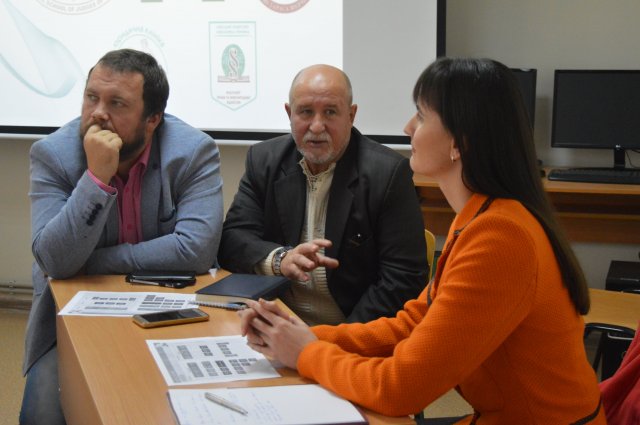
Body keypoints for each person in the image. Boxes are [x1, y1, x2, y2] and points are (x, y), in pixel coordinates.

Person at [238, 58, 606, 424]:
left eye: (421, 115)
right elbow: (412, 323)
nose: (408, 127)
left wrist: (306, 353)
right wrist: (302, 336)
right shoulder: (482, 216)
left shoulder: (500, 237)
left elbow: (400, 388)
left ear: (459, 141)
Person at [21, 49, 223, 425]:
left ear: (153, 119)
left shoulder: (192, 152)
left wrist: (93, 262)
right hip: (73, 316)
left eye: (117, 103)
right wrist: (96, 179)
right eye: (91, 97)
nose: (98, 113)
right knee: (41, 415)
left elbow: (196, 250)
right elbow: (55, 262)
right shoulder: (53, 155)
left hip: (171, 311)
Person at [218, 64, 428, 326]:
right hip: (276, 323)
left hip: (350, 331)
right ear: (289, 113)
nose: (316, 127)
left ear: (351, 115)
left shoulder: (387, 174)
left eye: (330, 112)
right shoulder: (265, 160)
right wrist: (280, 260)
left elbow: (403, 280)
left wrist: (331, 341)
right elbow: (232, 240)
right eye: (306, 112)